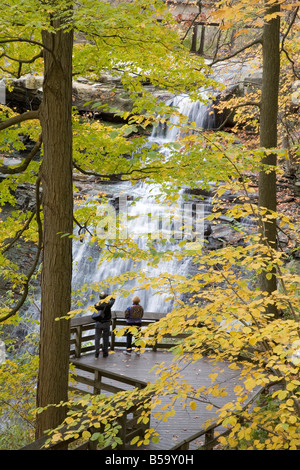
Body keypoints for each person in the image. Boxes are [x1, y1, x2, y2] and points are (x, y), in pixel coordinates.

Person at [94, 292, 115, 358]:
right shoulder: (108, 304)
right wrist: (109, 296)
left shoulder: (96, 305)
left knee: (97, 338)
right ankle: (105, 353)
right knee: (105, 338)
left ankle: (96, 353)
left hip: (98, 323)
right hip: (106, 323)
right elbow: (113, 299)